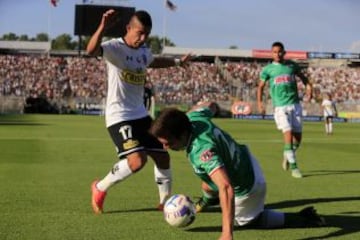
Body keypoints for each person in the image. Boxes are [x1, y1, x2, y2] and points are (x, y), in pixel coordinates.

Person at [149, 102, 325, 240]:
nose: (165, 147)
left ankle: (303, 217)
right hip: (246, 160)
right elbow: (210, 105)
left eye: (168, 142)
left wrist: (227, 233)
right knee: (208, 183)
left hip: (248, 187)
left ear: (182, 134)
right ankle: (206, 200)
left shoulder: (202, 151)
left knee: (246, 221)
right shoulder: (194, 117)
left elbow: (226, 188)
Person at [86, 9, 191, 214]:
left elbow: (153, 61)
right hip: (119, 116)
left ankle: (165, 203)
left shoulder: (143, 50)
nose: (142, 38)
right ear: (128, 28)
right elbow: (91, 50)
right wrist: (102, 27)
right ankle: (99, 188)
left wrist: (178, 62)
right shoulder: (114, 47)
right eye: (139, 33)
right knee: (137, 161)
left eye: (147, 35)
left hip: (141, 115)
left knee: (163, 157)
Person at [257, 41, 312, 178]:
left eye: (280, 51)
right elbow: (260, 87)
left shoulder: (292, 66)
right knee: (287, 136)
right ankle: (294, 168)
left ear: (284, 52)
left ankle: (287, 155)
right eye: (274, 52)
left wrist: (309, 88)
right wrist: (260, 103)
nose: (277, 54)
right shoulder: (268, 69)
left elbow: (305, 79)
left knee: (297, 139)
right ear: (272, 53)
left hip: (295, 105)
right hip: (280, 107)